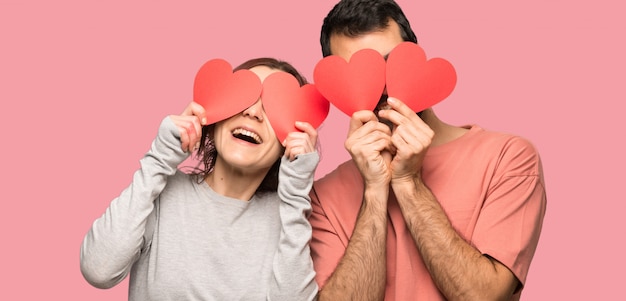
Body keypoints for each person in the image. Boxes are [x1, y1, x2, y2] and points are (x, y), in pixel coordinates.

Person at [308, 1, 547, 300]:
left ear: (415, 59)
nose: (380, 85)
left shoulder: (509, 157)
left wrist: (409, 184)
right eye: (361, 71)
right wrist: (374, 191)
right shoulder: (321, 195)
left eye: (389, 62)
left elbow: (484, 297)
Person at [80, 57, 320, 300]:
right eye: (243, 96)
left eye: (273, 106)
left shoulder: (287, 220)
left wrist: (296, 195)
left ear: (286, 143)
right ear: (215, 119)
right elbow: (98, 270)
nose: (253, 112)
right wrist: (159, 158)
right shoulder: (163, 194)